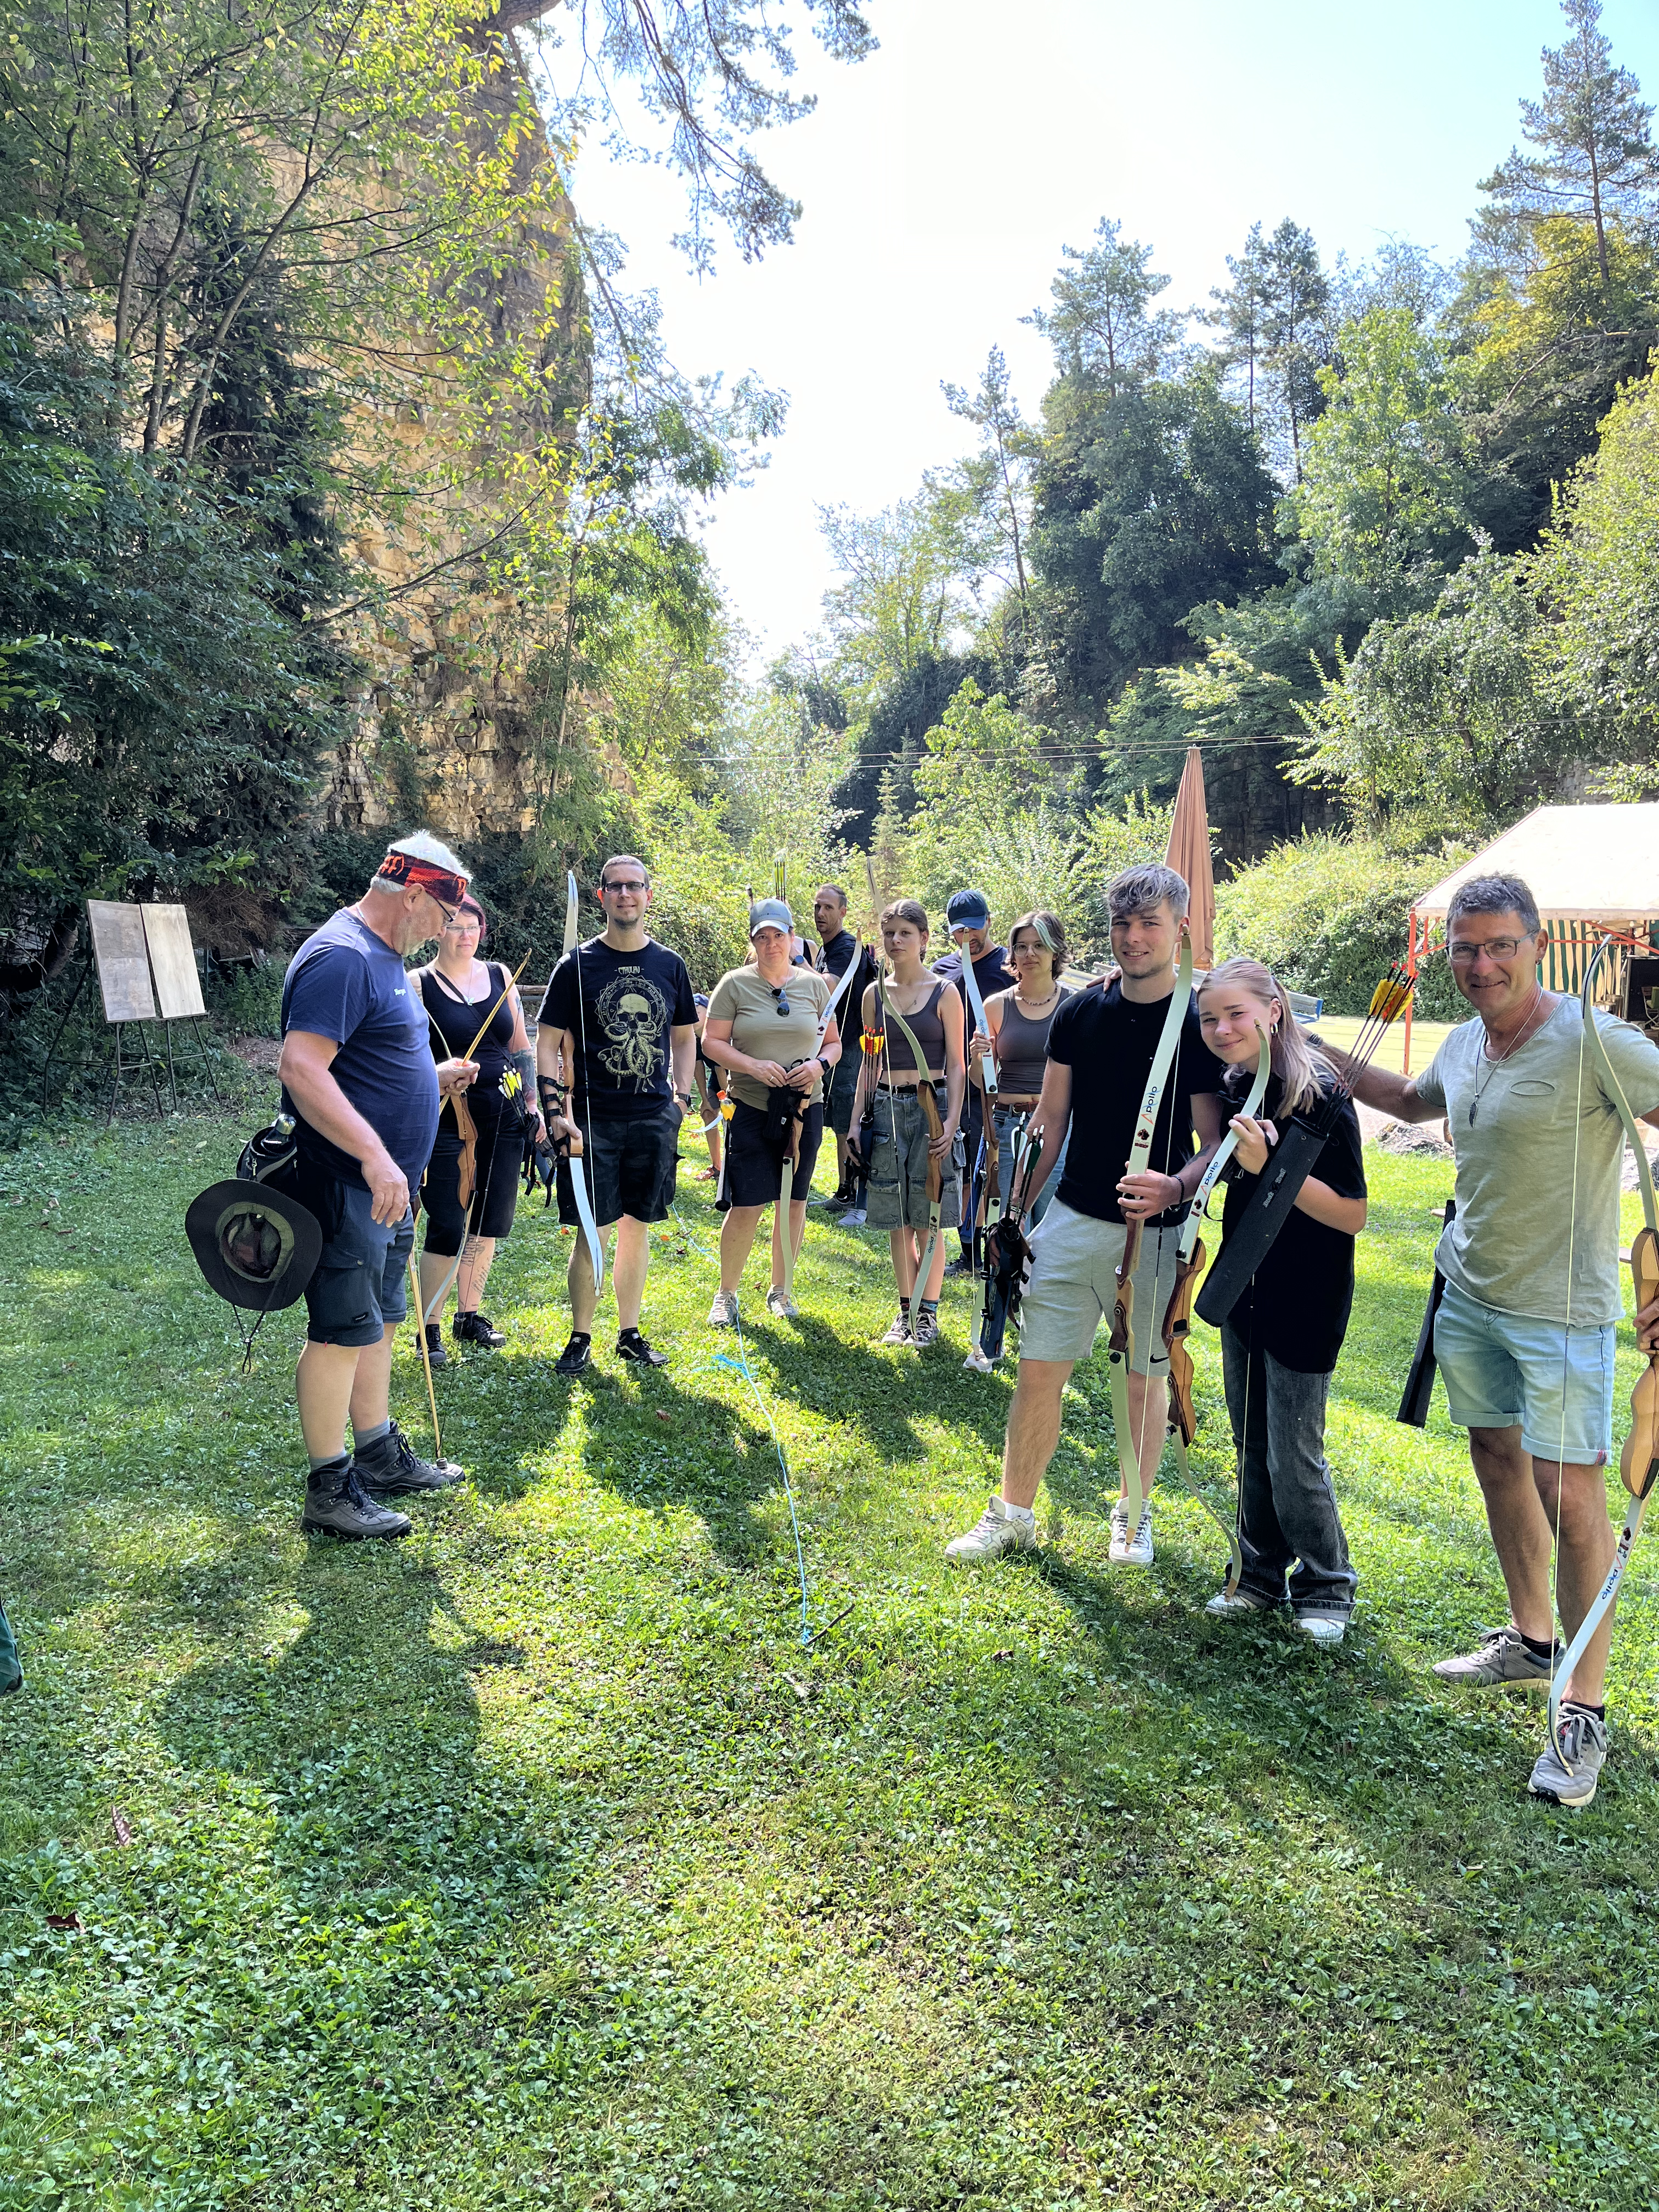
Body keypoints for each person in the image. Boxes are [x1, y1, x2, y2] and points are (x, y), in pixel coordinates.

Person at [1325, 871, 1659, 1807]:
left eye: (1497, 945)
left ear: (1533, 943)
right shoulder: (1467, 1044)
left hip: (1561, 1311)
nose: (1478, 964)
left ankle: (1580, 1711)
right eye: (1463, 949)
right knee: (1492, 1454)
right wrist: (1298, 1039)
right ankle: (1530, 1639)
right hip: (1466, 1292)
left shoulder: (1600, 1043)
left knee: (1571, 1495)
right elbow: (1404, 1097)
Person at [945, 864, 1226, 1566]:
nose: (1133, 939)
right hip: (1070, 1220)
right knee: (1039, 1369)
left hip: (1154, 1235)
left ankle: (1132, 1516)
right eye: (1121, 925)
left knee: (1143, 1379)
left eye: (1149, 924)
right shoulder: (1080, 1011)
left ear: (1179, 930)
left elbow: (1213, 1142)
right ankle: (1012, 1513)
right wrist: (1015, 1212)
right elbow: (1052, 1118)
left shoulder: (1196, 1021)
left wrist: (1175, 1186)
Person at [277, 832, 476, 1540]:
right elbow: (302, 1069)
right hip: (343, 1182)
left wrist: (432, 1079)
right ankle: (329, 1488)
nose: (448, 930)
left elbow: (374, 1057)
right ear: (415, 894)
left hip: (389, 1189)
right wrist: (372, 1155)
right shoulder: (343, 957)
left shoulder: (385, 959)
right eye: (445, 914)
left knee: (382, 1318)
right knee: (341, 1330)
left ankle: (378, 1452)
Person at [1193, 959, 1365, 1643]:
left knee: (1293, 1449)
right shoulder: (1240, 1083)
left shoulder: (1323, 1094)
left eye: (1235, 1014)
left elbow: (1351, 1214)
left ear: (1275, 1010)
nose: (1221, 1028)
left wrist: (1274, 1170)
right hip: (1245, 1287)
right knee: (1249, 1439)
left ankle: (1327, 1585)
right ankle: (1260, 1575)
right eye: (1209, 1018)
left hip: (1305, 1293)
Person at [535, 855, 698, 1376]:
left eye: (634, 886)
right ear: (601, 896)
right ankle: (581, 1336)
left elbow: (684, 1035)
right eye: (615, 886)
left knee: (638, 1228)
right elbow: (548, 1043)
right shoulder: (577, 966)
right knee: (592, 1228)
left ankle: (629, 1333)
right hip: (591, 1121)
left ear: (649, 895)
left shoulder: (670, 965)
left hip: (653, 1117)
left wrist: (682, 1097)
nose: (625, 894)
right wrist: (556, 1110)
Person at [413, 894, 539, 1368]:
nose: (465, 936)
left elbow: (521, 1046)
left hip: (503, 1110)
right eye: (455, 926)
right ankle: (430, 1327)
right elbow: (402, 1056)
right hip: (448, 1114)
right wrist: (437, 1070)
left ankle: (470, 1314)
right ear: (438, 929)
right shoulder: (418, 984)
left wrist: (531, 1101)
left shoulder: (500, 976)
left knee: (487, 1217)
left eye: (473, 927)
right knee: (448, 1219)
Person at [701, 900, 839, 1324]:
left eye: (779, 935)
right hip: (752, 1107)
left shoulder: (814, 986)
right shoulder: (734, 985)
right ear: (754, 942)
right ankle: (726, 1294)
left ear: (793, 938)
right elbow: (711, 1042)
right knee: (748, 1204)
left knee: (793, 1202)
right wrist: (753, 1065)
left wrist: (818, 1065)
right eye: (763, 936)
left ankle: (782, 1291)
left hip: (803, 1110)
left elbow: (833, 1042)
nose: (772, 943)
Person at [848, 898, 967, 1348]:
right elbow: (868, 1061)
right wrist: (859, 1119)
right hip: (886, 1105)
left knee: (928, 1213)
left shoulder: (945, 993)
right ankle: (906, 1311)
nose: (896, 942)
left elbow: (956, 1064)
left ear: (924, 939)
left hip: (930, 1107)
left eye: (905, 934)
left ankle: (927, 1314)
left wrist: (952, 1118)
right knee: (897, 1214)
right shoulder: (873, 994)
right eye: (889, 934)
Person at [932, 888, 1015, 1278]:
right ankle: (968, 1251)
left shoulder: (1009, 966)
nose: (968, 938)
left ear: (989, 923)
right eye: (960, 931)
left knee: (991, 1169)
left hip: (998, 1086)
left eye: (976, 929)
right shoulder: (941, 971)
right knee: (961, 1168)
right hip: (954, 1084)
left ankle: (993, 1248)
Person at [976, 909, 1073, 1234]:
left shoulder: (1075, 1006)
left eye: (1039, 945)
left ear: (1055, 950)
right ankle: (1004, 1287)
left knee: (1050, 1222)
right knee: (1006, 1221)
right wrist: (980, 1058)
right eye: (1021, 946)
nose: (1029, 954)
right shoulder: (995, 1005)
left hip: (1058, 1127)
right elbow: (981, 1081)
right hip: (1008, 1123)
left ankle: (1042, 1287)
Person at [809, 882, 878, 1215]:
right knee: (838, 1120)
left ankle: (854, 1196)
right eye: (817, 907)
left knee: (847, 1121)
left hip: (850, 1048)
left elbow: (827, 985)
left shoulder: (847, 945)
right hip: (834, 1045)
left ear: (843, 912)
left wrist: (795, 958)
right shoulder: (828, 947)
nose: (821, 914)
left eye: (828, 908)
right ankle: (844, 1191)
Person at [690, 993, 725, 1182]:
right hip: (717, 1076)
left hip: (734, 1074)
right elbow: (698, 1068)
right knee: (708, 1114)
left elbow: (721, 1068)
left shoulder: (714, 1032)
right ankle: (717, 1167)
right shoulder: (692, 1036)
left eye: (698, 1011)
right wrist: (705, 1101)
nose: (694, 1016)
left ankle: (735, 1166)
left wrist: (727, 1099)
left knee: (732, 1119)